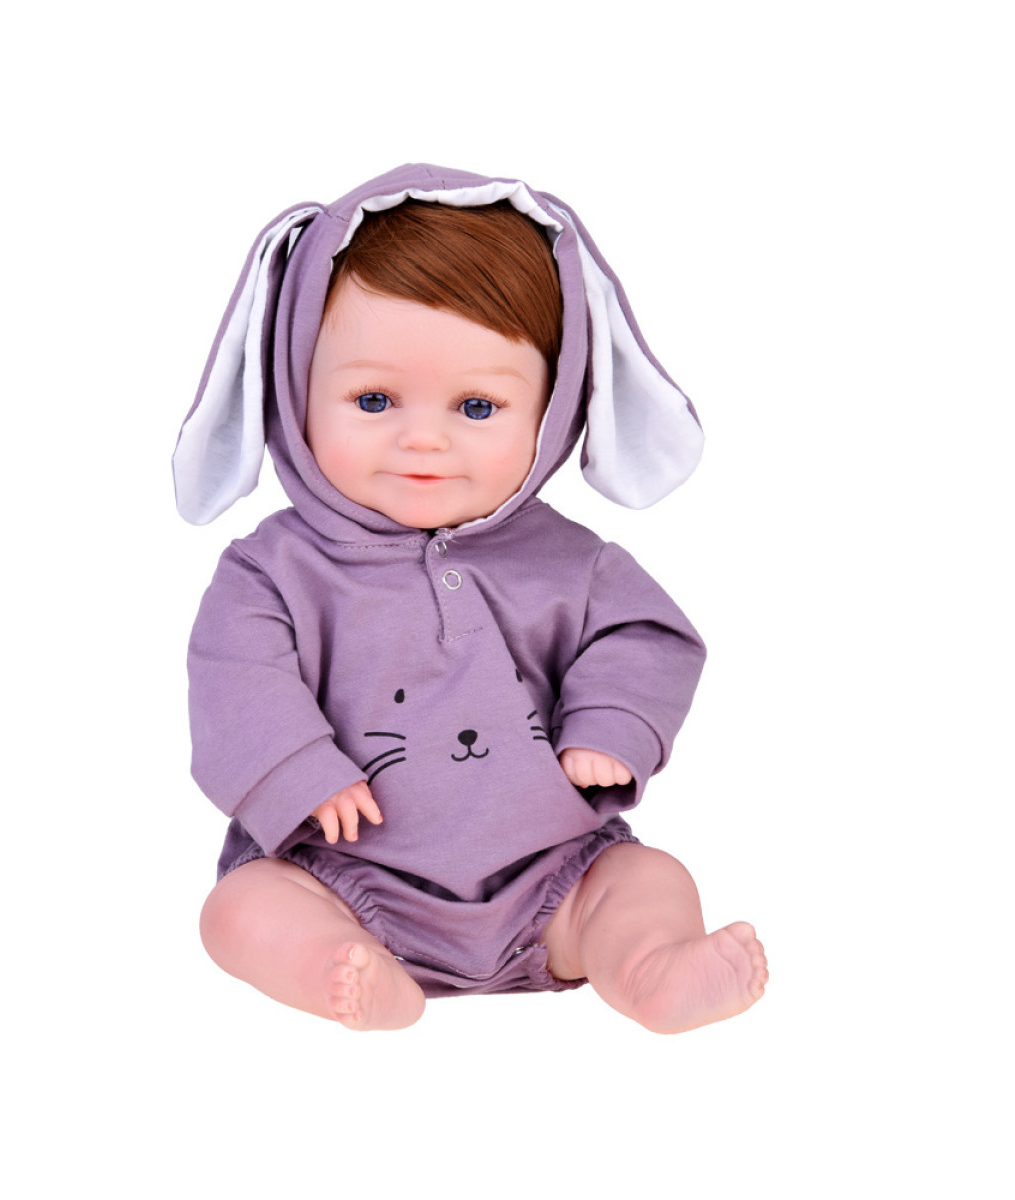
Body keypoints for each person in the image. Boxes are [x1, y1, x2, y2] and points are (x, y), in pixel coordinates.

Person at [173, 164, 767, 1031]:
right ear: (294, 388)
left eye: (478, 406)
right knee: (238, 909)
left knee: (646, 878)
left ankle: (647, 966)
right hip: (341, 873)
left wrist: (610, 723)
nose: (423, 438)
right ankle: (341, 968)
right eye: (373, 399)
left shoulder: (573, 562)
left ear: (553, 407)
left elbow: (647, 639)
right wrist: (293, 769)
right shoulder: (272, 570)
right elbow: (235, 674)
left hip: (552, 876)